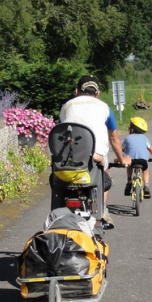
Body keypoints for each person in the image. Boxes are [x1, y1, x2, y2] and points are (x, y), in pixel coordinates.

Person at [58, 75, 130, 227]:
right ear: (97, 94)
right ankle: (101, 212)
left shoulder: (66, 106)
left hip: (67, 161)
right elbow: (114, 139)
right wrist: (122, 159)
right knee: (105, 177)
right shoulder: (105, 108)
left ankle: (57, 214)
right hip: (94, 158)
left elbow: (60, 132)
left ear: (76, 91)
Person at [121, 116, 152, 198]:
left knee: (128, 166)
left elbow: (122, 149)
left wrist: (121, 158)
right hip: (142, 161)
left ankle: (129, 181)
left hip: (131, 161)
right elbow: (151, 149)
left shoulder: (127, 138)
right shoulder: (145, 138)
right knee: (145, 170)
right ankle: (146, 186)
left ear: (132, 129)